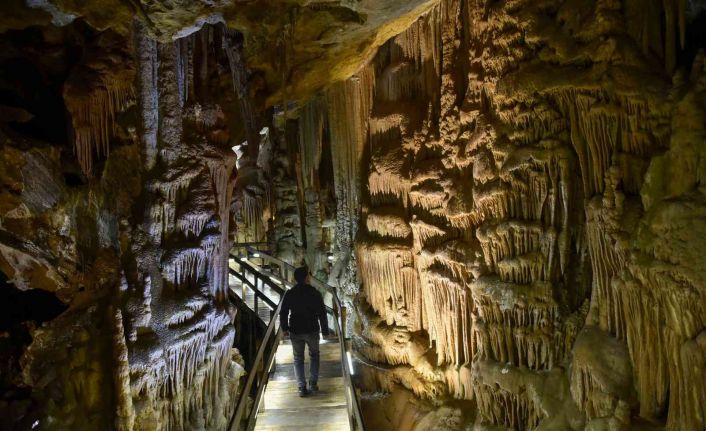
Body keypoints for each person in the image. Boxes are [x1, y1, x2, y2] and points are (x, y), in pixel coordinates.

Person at [279, 266, 329, 397]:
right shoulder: (314, 293)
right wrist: (325, 331)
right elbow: (322, 313)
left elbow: (283, 312)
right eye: (309, 275)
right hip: (312, 328)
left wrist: (284, 328)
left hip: (295, 330)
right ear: (306, 278)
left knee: (298, 358)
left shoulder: (290, 293)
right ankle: (313, 382)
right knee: (314, 355)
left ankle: (301, 387)